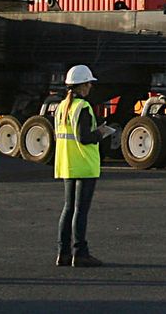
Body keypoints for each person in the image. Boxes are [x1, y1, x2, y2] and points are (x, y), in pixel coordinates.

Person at [54, 65, 103, 267]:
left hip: (67, 163)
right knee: (80, 210)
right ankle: (80, 253)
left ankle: (63, 252)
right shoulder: (83, 107)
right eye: (89, 83)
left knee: (68, 208)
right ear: (82, 86)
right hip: (84, 164)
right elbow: (84, 137)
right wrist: (101, 133)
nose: (90, 87)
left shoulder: (61, 108)